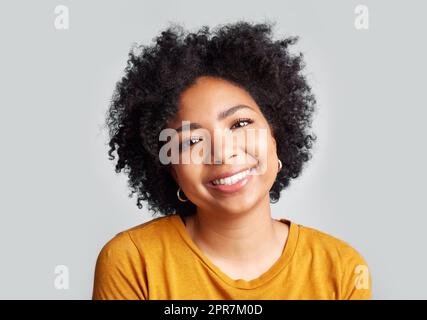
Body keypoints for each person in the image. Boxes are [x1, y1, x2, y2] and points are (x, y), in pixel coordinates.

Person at [92, 20, 372, 300]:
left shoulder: (341, 269)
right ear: (173, 170)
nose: (222, 153)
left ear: (275, 136)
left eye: (239, 124)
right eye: (191, 141)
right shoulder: (133, 262)